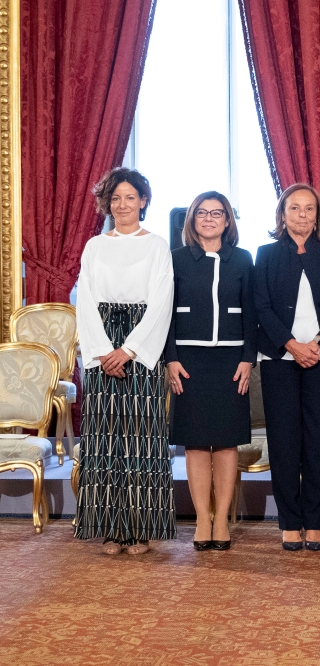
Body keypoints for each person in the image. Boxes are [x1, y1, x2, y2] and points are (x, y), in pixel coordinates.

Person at [74, 167, 175, 556]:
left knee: (141, 440)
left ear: (143, 201)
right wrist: (102, 350)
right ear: (107, 203)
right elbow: (85, 300)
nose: (122, 204)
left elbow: (161, 301)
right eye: (115, 198)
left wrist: (130, 350)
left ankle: (141, 530)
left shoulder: (157, 245)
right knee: (103, 441)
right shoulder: (95, 246)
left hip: (140, 346)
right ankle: (111, 530)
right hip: (102, 347)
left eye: (130, 197)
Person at [254, 183, 320, 552]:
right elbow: (261, 307)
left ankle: (315, 522)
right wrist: (293, 345)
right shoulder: (265, 255)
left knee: (319, 441)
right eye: (294, 208)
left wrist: (319, 343)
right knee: (283, 442)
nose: (302, 215)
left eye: (309, 209)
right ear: (282, 214)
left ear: (318, 215)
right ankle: (289, 522)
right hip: (280, 359)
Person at [165, 192, 256, 551]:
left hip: (232, 361)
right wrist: (170, 358)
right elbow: (165, 313)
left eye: (216, 213)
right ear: (191, 220)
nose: (209, 219)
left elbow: (252, 311)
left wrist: (249, 358)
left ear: (228, 220)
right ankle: (203, 518)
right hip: (188, 361)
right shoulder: (175, 260)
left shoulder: (243, 259)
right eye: (201, 213)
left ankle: (223, 520)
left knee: (227, 441)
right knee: (197, 441)